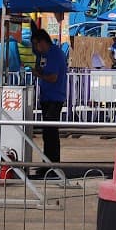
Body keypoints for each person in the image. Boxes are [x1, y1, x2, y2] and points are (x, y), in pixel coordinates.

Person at [30, 26, 68, 168]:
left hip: (54, 98)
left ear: (42, 42)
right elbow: (43, 69)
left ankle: (53, 165)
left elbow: (53, 77)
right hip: (46, 97)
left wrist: (39, 74)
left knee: (51, 133)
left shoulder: (55, 54)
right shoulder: (44, 55)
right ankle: (47, 163)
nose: (35, 47)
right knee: (47, 133)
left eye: (36, 44)